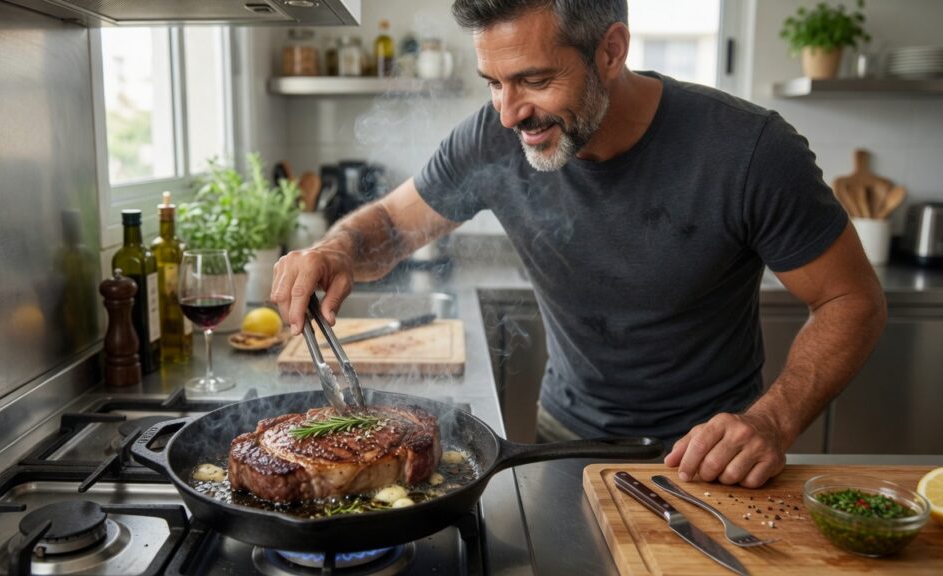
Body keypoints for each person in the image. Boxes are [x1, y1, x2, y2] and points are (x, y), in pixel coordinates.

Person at [270, 0, 886, 488]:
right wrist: (335, 251)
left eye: (534, 80)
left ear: (611, 51)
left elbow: (852, 301)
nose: (510, 113)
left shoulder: (749, 151)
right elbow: (392, 225)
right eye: (493, 83)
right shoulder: (494, 134)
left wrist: (771, 422)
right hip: (563, 443)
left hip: (713, 460)